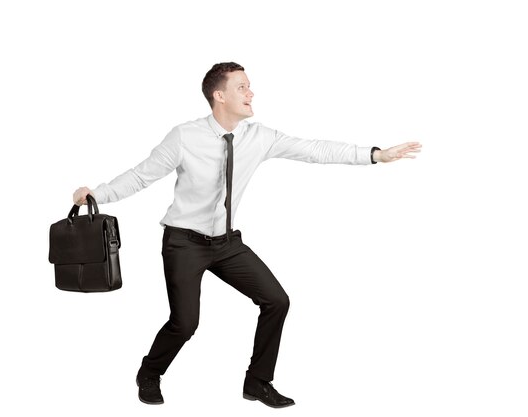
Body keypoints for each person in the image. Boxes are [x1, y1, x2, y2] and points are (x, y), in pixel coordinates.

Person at [72, 62, 421, 408]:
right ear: (218, 95)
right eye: (242, 87)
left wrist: (375, 155)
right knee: (185, 323)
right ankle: (149, 373)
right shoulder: (185, 136)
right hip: (184, 243)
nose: (251, 93)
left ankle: (257, 382)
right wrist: (96, 195)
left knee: (277, 300)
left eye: (249, 86)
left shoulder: (259, 137)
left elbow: (314, 149)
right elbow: (141, 176)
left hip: (226, 244)